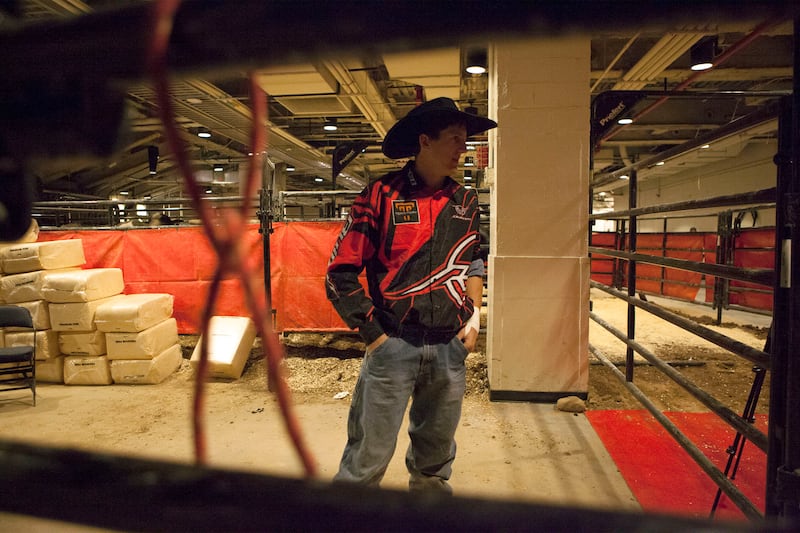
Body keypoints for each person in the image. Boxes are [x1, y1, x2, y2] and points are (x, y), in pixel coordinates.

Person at [325, 97, 497, 493]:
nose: (463, 148)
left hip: (449, 348)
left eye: (465, 140)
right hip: (393, 344)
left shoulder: (465, 201)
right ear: (424, 141)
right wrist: (375, 336)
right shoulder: (380, 195)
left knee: (435, 463)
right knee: (367, 459)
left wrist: (473, 320)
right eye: (454, 138)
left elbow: (472, 261)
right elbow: (340, 273)